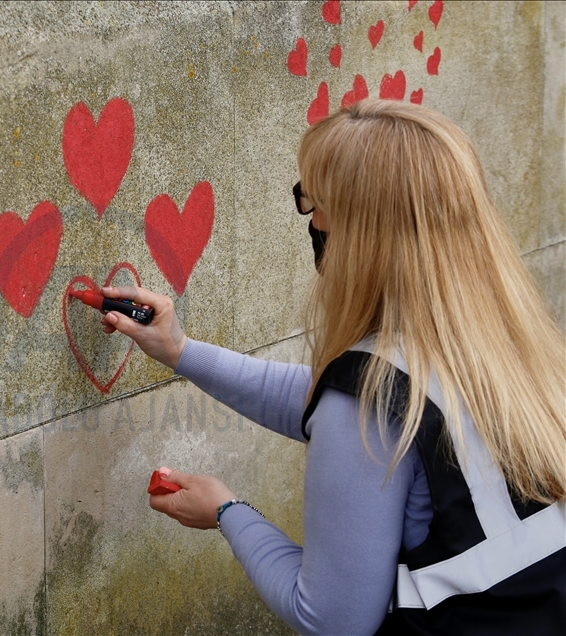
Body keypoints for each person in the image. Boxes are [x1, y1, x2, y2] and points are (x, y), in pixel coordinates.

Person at [98, 99, 566, 635]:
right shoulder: (502, 343)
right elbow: (337, 402)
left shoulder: (367, 398)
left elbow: (332, 620)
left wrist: (227, 512)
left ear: (362, 232)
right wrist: (181, 351)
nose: (311, 219)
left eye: (312, 203)